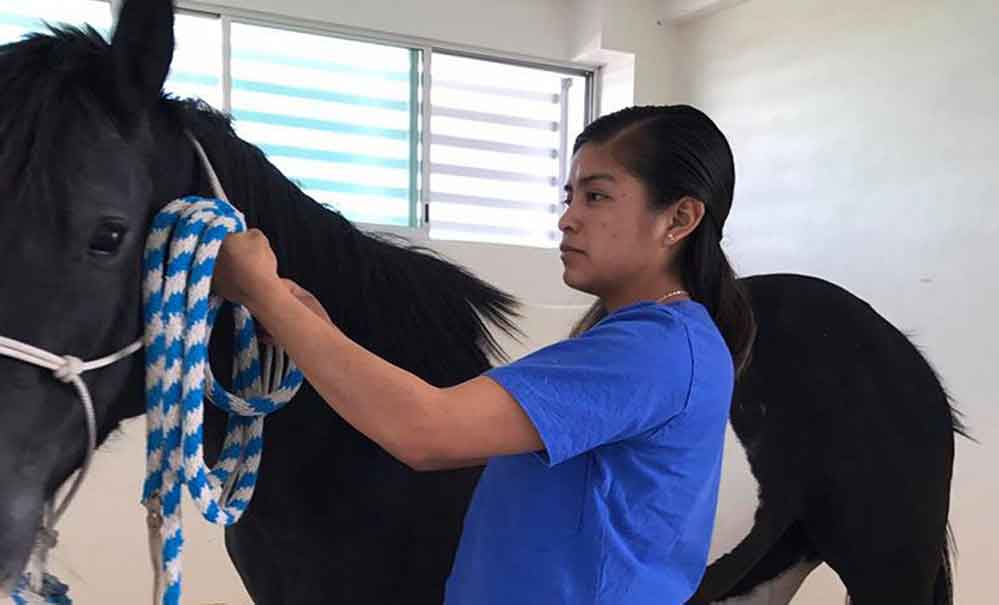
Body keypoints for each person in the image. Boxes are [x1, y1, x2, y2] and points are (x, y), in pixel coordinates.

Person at [212, 105, 756, 604]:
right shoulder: (654, 343)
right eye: (569, 197)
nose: (568, 219)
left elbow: (426, 431)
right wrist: (307, 323)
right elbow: (449, 424)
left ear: (679, 219)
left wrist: (264, 293)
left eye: (596, 196)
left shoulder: (652, 349)